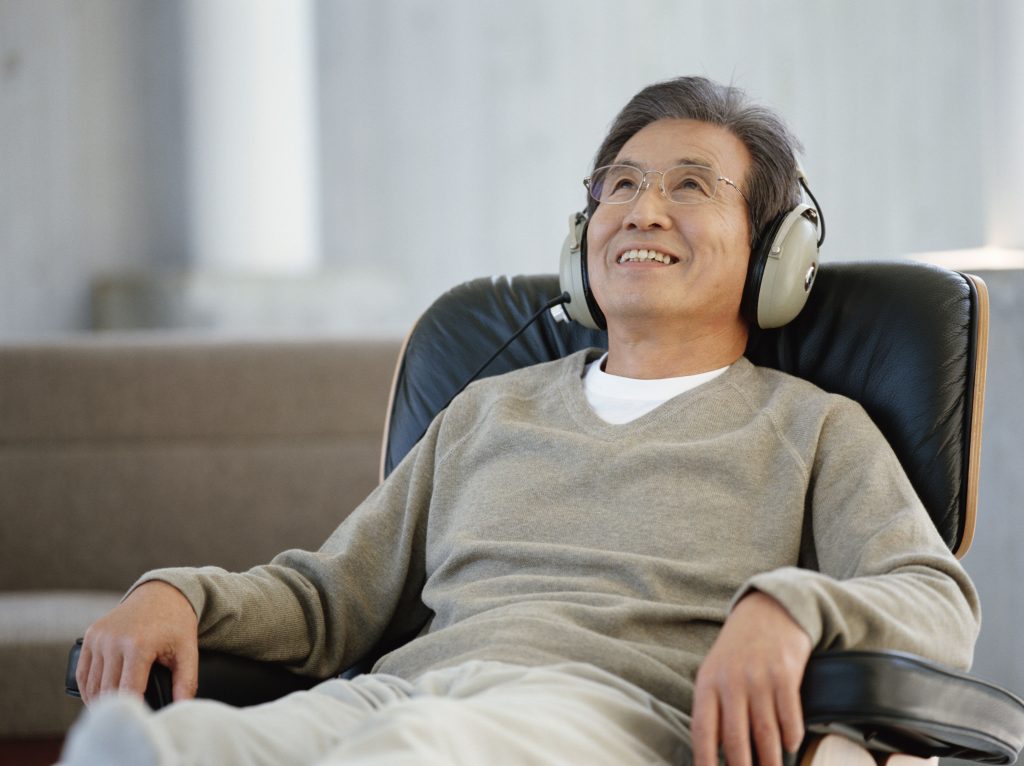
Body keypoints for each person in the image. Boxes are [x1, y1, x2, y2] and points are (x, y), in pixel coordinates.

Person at [61, 76, 979, 766]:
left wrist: (791, 610)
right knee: (164, 747)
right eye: (617, 187)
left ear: (776, 256)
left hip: (606, 718)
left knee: (416, 751)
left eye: (691, 187)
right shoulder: (487, 409)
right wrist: (176, 593)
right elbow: (331, 598)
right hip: (397, 699)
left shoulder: (815, 428)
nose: (640, 211)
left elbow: (937, 603)